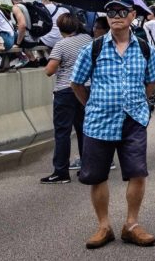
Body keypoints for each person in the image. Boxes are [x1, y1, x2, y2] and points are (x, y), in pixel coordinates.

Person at [70, 0, 155, 249]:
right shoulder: (94, 48)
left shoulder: (145, 48)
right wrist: (90, 105)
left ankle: (131, 224)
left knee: (137, 173)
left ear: (133, 15)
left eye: (122, 12)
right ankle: (104, 226)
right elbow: (76, 83)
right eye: (111, 12)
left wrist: (140, 103)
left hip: (133, 119)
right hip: (99, 121)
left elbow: (153, 80)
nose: (116, 17)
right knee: (97, 176)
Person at [41, 13, 93, 184]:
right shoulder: (88, 39)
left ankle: (61, 172)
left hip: (65, 90)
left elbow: (49, 71)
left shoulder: (61, 45)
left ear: (60, 28)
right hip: (86, 88)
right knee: (83, 129)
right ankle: (87, 167)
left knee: (63, 132)